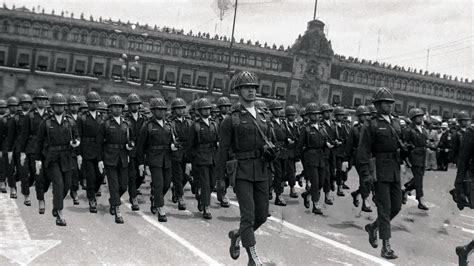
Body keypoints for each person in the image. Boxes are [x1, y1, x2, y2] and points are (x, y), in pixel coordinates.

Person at [216, 71, 274, 265]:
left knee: (262, 216)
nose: (251, 91)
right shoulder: (230, 119)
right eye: (247, 88)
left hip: (262, 170)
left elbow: (271, 141)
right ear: (238, 91)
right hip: (242, 171)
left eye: (254, 88)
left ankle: (237, 236)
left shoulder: (264, 116)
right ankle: (253, 259)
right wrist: (219, 180)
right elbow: (222, 151)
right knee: (248, 217)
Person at [357, 87, 403, 260]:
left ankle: (373, 227)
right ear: (376, 105)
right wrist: (365, 173)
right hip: (379, 169)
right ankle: (386, 246)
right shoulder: (371, 124)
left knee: (396, 206)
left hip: (395, 169)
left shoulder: (396, 122)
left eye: (391, 103)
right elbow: (363, 151)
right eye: (385, 103)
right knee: (384, 209)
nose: (389, 106)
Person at [35, 93, 80, 226]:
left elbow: (77, 137)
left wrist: (75, 143)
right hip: (52, 157)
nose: (59, 108)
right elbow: (39, 142)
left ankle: (56, 205)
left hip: (67, 156)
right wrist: (38, 160)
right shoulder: (46, 122)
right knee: (58, 184)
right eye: (56, 106)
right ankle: (60, 213)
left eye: (61, 106)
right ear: (52, 107)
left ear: (64, 107)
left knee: (66, 185)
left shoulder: (70, 121)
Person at [97, 95, 133, 224]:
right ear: (110, 109)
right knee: (114, 185)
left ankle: (113, 201)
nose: (117, 109)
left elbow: (131, 140)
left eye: (119, 107)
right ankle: (117, 210)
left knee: (123, 185)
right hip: (109, 157)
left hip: (123, 157)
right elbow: (99, 143)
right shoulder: (105, 124)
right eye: (114, 107)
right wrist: (100, 160)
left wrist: (130, 146)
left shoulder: (127, 124)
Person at [137, 97, 174, 222]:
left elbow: (174, 140)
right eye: (158, 110)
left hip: (167, 158)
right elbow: (141, 146)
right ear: (153, 111)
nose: (161, 112)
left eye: (163, 110)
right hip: (154, 159)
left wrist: (174, 146)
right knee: (158, 184)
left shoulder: (169, 125)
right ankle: (160, 208)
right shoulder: (147, 126)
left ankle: (155, 199)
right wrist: (141, 163)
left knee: (167, 183)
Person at [296, 103, 332, 215]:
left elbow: (325, 140)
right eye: (313, 115)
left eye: (317, 114)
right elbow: (299, 146)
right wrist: (303, 158)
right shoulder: (305, 129)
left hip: (321, 157)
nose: (316, 116)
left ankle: (307, 194)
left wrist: (328, 144)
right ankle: (316, 204)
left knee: (322, 181)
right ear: (308, 116)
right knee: (315, 182)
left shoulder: (322, 128)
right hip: (310, 158)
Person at [187, 98, 219, 219]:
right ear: (199, 111)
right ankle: (206, 207)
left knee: (211, 183)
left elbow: (218, 140)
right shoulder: (195, 126)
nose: (206, 111)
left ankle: (202, 198)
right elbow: (190, 145)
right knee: (205, 183)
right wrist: (189, 161)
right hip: (200, 157)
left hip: (213, 156)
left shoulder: (214, 124)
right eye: (204, 109)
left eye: (208, 109)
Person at [77, 91, 104, 213]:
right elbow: (79, 136)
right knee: (91, 177)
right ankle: (91, 198)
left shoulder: (102, 118)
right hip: (87, 150)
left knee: (100, 176)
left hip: (100, 151)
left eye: (96, 103)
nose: (94, 105)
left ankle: (94, 191)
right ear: (87, 104)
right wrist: (79, 153)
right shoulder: (82, 118)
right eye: (91, 103)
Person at [343, 105, 373, 212]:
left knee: (371, 180)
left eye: (366, 116)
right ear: (359, 117)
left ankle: (357, 194)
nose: (365, 118)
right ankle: (365, 202)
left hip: (370, 157)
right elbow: (349, 145)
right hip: (359, 157)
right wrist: (346, 159)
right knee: (364, 179)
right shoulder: (355, 130)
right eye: (362, 116)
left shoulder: (371, 129)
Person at [402, 108, 429, 210]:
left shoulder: (423, 129)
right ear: (413, 118)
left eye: (421, 116)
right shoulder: (409, 130)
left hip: (422, 155)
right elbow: (405, 143)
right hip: (414, 155)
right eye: (418, 117)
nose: (420, 118)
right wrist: (410, 149)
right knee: (419, 178)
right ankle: (420, 200)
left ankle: (406, 189)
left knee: (420, 176)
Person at [8, 94, 33, 205]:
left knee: (32, 172)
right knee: (23, 172)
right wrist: (9, 150)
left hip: (32, 148)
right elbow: (11, 135)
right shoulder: (16, 118)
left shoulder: (33, 116)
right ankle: (26, 195)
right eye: (24, 103)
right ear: (21, 105)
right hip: (19, 148)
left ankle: (18, 182)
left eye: (28, 103)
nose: (26, 105)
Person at [124, 93, 146, 211]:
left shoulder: (144, 118)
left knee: (141, 175)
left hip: (142, 150)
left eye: (136, 104)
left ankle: (134, 189)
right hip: (131, 150)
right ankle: (133, 198)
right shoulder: (125, 119)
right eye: (132, 105)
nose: (134, 107)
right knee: (132, 175)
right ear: (129, 106)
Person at [169, 98, 191, 211]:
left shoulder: (188, 122)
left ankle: (177, 190)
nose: (181, 110)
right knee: (178, 176)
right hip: (176, 152)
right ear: (174, 110)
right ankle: (180, 197)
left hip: (187, 152)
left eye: (182, 108)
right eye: (178, 108)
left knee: (187, 176)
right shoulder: (171, 122)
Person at [268, 100, 289, 206]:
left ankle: (274, 190)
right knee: (277, 174)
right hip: (275, 151)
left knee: (283, 174)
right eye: (275, 110)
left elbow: (287, 135)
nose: (277, 112)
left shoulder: (283, 122)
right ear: (271, 111)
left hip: (284, 151)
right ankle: (278, 195)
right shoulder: (269, 122)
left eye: (278, 110)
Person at [66, 95, 82, 205]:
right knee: (73, 171)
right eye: (72, 105)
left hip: (83, 148)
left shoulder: (82, 117)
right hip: (70, 149)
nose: (74, 107)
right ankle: (74, 191)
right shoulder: (66, 118)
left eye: (76, 105)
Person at [4, 97, 20, 199]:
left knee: (21, 169)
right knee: (10, 168)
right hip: (8, 146)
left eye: (15, 106)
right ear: (8, 107)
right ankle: (13, 188)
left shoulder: (22, 117)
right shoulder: (4, 119)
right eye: (11, 106)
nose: (13, 108)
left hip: (20, 146)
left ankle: (14, 180)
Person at [284, 105, 300, 198]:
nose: (293, 117)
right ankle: (291, 188)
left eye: (294, 115)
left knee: (291, 171)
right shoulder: (284, 125)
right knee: (289, 171)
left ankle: (290, 186)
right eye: (291, 115)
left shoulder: (296, 126)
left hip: (294, 151)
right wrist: (287, 139)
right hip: (286, 151)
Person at [0, 99, 9, 193]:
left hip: (5, 144)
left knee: (4, 165)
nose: (2, 110)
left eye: (4, 108)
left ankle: (3, 182)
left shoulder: (8, 119)